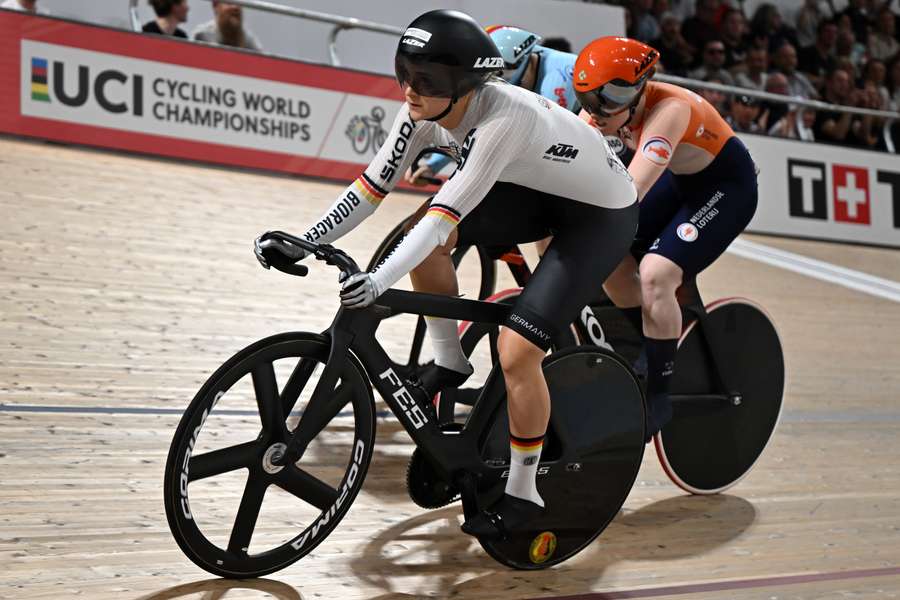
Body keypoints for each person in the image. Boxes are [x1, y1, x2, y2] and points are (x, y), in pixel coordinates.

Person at [256, 10, 638, 538]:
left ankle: (525, 490)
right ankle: (449, 358)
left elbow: (441, 223)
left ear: (463, 88)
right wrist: (308, 237)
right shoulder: (420, 111)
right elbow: (371, 188)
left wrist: (378, 282)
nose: (411, 91)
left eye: (427, 81)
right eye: (405, 74)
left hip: (599, 215)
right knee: (422, 230)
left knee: (517, 351)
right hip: (535, 188)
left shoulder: (501, 119)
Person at [574, 37, 758, 439]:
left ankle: (659, 392)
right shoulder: (602, 111)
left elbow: (630, 192)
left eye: (611, 98)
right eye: (587, 98)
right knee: (610, 257)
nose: (598, 111)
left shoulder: (669, 110)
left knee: (657, 273)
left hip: (727, 187)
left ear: (640, 89)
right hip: (682, 179)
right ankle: (650, 341)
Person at [405, 25, 580, 185]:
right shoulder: (521, 62)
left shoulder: (558, 82)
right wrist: (433, 165)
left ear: (523, 62)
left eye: (511, 82)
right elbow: (475, 122)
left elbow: (542, 145)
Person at [192, 0, 262, 51]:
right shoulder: (202, 35)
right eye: (229, 3)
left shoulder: (247, 39)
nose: (235, 7)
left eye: (239, 3)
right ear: (215, 5)